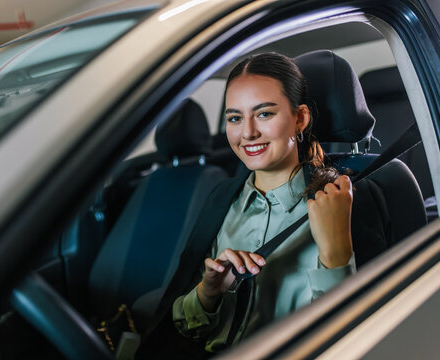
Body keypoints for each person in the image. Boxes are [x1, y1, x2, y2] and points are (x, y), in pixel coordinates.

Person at [137, 52, 360, 359]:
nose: (248, 133)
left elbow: (354, 340)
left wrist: (336, 256)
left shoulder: (342, 202)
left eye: (264, 114)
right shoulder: (220, 199)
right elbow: (180, 330)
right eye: (235, 118)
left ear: (300, 118)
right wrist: (207, 294)